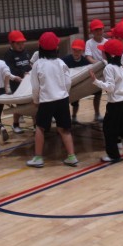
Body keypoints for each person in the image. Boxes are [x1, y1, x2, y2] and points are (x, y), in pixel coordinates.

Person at [26, 32, 79, 168]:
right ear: (56, 48)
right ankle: (72, 156)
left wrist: (35, 100)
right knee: (64, 129)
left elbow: (35, 87)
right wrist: (65, 93)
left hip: (46, 101)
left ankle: (38, 158)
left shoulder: (37, 65)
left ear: (40, 48)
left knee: (40, 127)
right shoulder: (61, 63)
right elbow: (68, 81)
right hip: (62, 99)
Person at [4, 30, 31, 134]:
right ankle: (15, 124)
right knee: (19, 105)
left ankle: (36, 124)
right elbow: (10, 69)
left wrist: (30, 71)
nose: (21, 45)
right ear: (11, 43)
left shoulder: (26, 52)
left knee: (31, 102)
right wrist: (21, 73)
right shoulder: (9, 55)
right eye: (18, 43)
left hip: (27, 81)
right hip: (16, 84)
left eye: (22, 43)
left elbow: (28, 65)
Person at [62, 39, 91, 123]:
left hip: (76, 86)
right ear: (72, 50)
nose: (76, 52)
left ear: (83, 51)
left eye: (79, 50)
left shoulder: (85, 61)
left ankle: (74, 117)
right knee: (63, 104)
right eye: (75, 50)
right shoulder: (65, 60)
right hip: (65, 86)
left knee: (76, 102)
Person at [84, 18, 107, 122]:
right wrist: (97, 64)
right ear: (92, 31)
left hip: (107, 69)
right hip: (96, 70)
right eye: (96, 30)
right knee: (97, 93)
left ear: (103, 29)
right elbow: (88, 57)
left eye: (100, 29)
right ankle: (97, 114)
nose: (98, 32)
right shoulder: (89, 43)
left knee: (111, 92)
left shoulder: (107, 42)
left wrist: (105, 63)